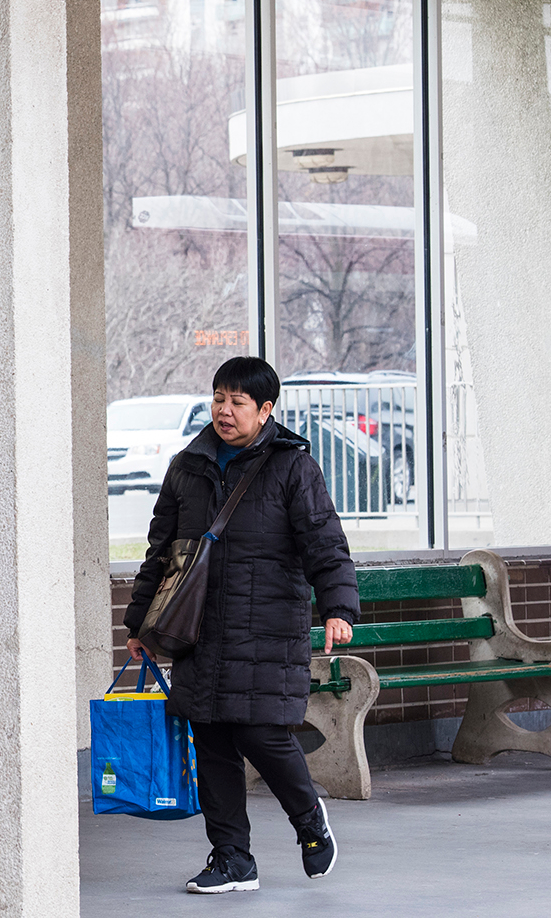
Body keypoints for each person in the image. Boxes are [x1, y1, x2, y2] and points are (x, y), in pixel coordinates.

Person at [123, 356, 359, 894]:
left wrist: (338, 607)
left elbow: (325, 543)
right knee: (211, 744)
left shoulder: (291, 467)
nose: (224, 412)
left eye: (237, 402)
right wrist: (139, 623)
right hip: (199, 632)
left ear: (266, 409)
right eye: (218, 399)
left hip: (266, 628)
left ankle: (311, 823)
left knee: (262, 734)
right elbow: (160, 553)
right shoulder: (188, 465)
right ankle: (232, 859)